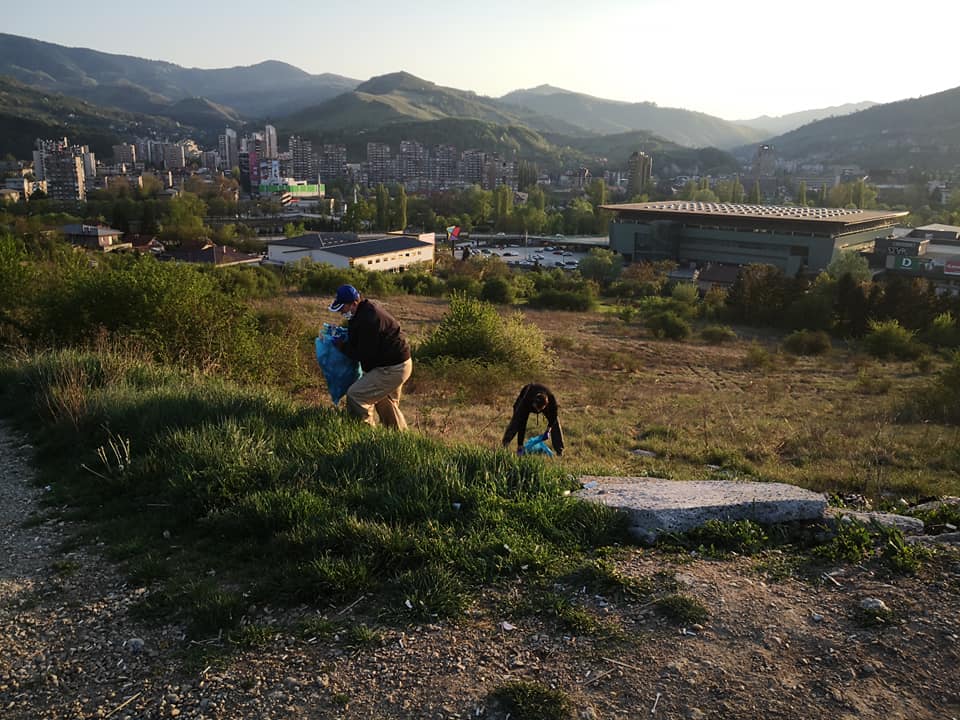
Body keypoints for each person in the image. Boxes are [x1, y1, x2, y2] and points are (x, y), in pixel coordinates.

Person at [329, 284, 413, 429]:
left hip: (393, 368)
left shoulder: (369, 319)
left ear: (354, 303)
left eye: (343, 308)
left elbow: (363, 354)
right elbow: (360, 340)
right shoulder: (361, 313)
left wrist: (341, 346)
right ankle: (398, 437)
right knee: (385, 402)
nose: (341, 312)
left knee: (356, 395)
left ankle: (366, 433)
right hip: (398, 364)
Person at [501, 383, 564, 457]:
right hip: (525, 396)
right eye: (536, 408)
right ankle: (505, 444)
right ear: (533, 403)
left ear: (545, 406)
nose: (537, 411)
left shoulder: (551, 400)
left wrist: (548, 429)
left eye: (540, 409)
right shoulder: (526, 400)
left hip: (543, 403)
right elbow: (522, 422)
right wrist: (520, 445)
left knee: (555, 423)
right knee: (517, 420)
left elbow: (553, 416)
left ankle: (559, 451)